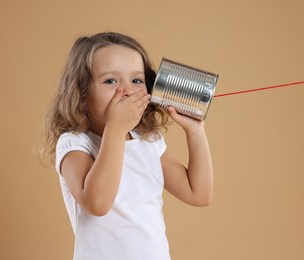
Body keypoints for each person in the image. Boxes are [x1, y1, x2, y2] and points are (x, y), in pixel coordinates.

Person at [38, 32, 214, 260]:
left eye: (137, 80)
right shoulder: (74, 145)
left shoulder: (148, 141)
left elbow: (198, 193)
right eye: (111, 81)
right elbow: (98, 203)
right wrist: (115, 129)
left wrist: (195, 131)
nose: (127, 90)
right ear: (81, 94)